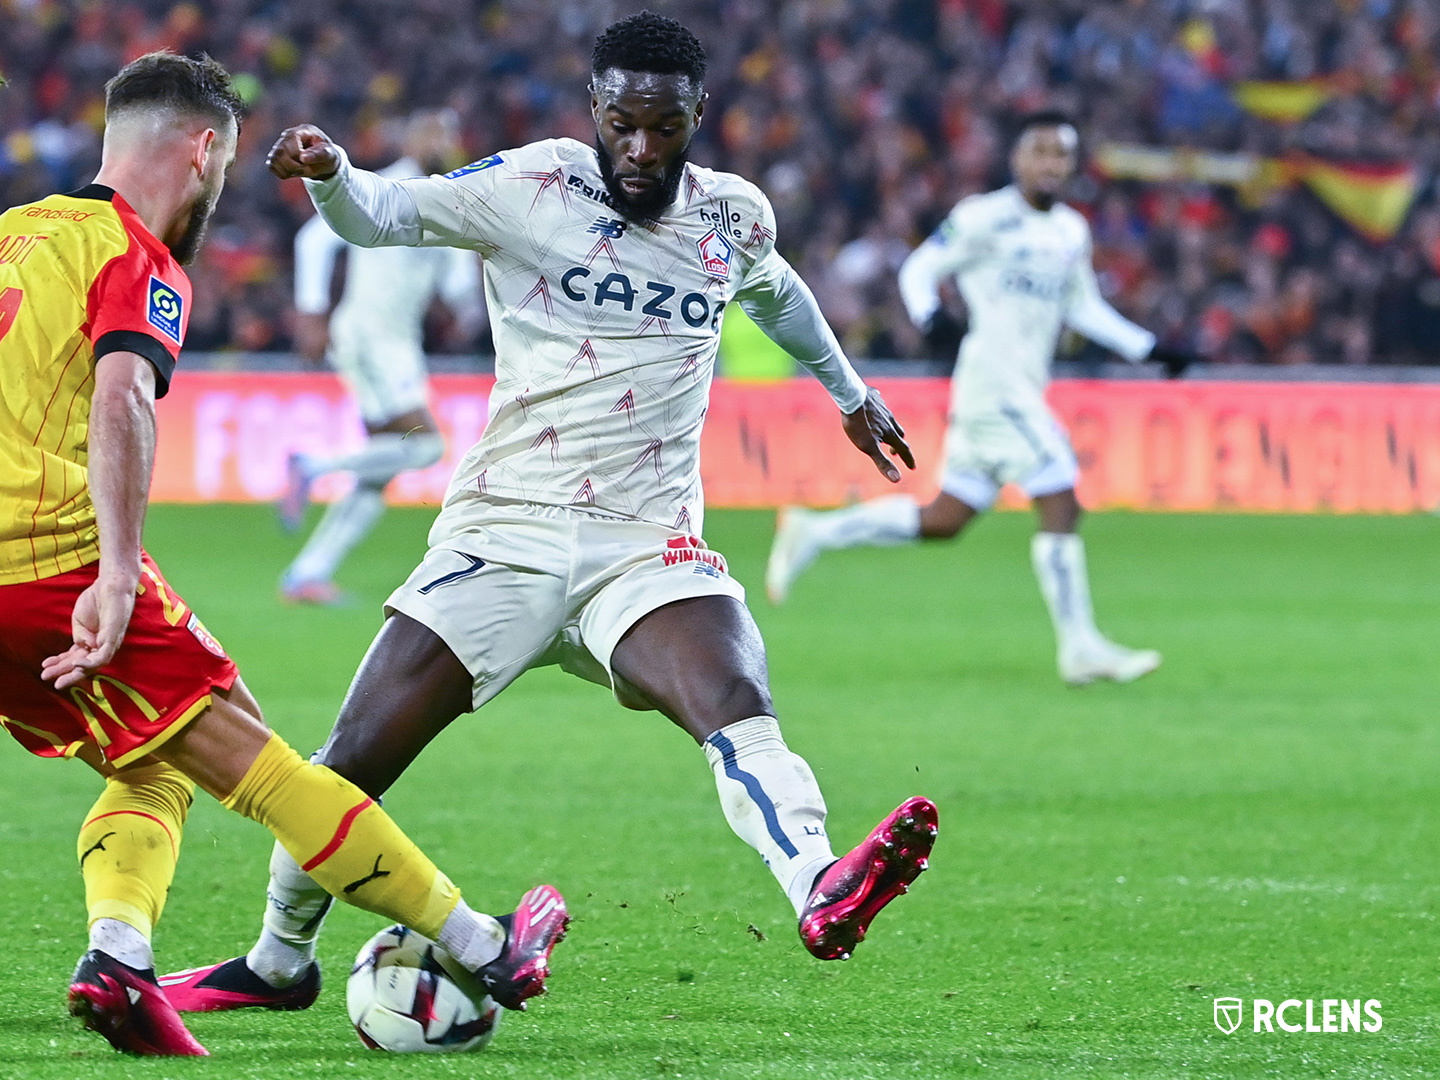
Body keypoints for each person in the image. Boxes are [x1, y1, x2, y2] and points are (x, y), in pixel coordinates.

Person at [160, 13, 938, 1014]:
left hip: (648, 545)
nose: (641, 149)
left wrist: (849, 394)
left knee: (738, 706)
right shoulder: (533, 185)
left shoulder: (732, 218)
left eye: (665, 127)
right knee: (348, 768)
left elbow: (777, 292)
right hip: (504, 532)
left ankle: (818, 887)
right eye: (623, 124)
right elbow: (384, 215)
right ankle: (277, 962)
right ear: (596, 111)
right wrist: (330, 173)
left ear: (700, 115)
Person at [0, 51, 568, 1058]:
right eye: (222, 165)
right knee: (251, 752)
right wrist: (113, 574)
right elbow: (121, 399)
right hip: (33, 557)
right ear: (205, 147)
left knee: (155, 759)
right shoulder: (132, 256)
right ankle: (487, 949)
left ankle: (119, 960)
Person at [766, 111, 1198, 685]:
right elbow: (920, 268)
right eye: (1039, 151)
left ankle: (815, 531)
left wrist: (1150, 350)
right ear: (1017, 158)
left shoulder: (1070, 230)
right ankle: (1081, 648)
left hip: (1014, 389)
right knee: (1062, 498)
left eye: (1061, 154)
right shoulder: (982, 218)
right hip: (996, 388)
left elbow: (1083, 307)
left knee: (946, 518)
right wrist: (930, 318)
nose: (1049, 164)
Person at [277, 109, 485, 604]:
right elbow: (313, 239)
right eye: (433, 131)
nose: (443, 140)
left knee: (381, 469)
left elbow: (460, 291)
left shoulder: (450, 199)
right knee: (427, 445)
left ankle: (306, 574)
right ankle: (311, 466)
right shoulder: (382, 187)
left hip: (400, 342)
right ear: (412, 137)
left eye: (449, 133)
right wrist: (311, 310)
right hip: (370, 337)